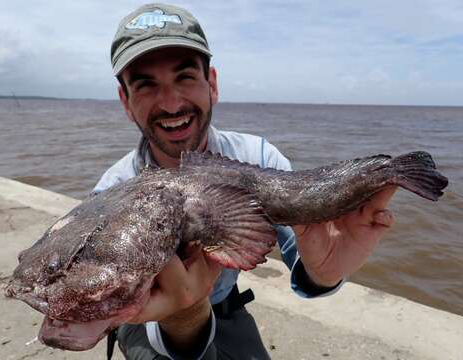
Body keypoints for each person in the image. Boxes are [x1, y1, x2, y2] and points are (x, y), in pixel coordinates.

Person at [93, 3, 396, 359]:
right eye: (146, 86)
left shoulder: (258, 158)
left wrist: (323, 274)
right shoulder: (111, 191)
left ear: (213, 84)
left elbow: (304, 256)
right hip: (145, 321)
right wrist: (183, 318)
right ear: (125, 102)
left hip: (227, 308)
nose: (172, 103)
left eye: (185, 77)